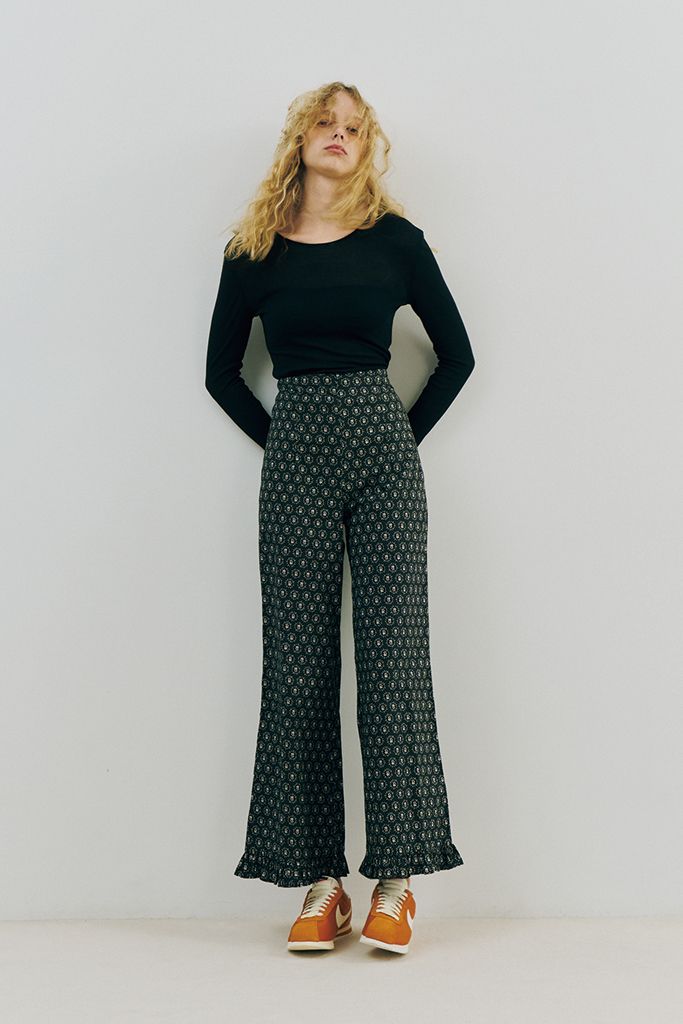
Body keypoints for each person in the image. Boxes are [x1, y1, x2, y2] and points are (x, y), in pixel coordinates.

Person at [205, 81, 475, 955]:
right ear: (300, 138)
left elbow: (457, 356)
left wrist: (395, 439)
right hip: (296, 468)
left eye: (353, 127)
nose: (338, 135)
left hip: (384, 464)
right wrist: (283, 444)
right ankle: (321, 883)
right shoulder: (254, 249)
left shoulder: (395, 241)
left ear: (367, 146)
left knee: (393, 664)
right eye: (324, 123)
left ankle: (396, 884)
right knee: (299, 668)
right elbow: (220, 375)